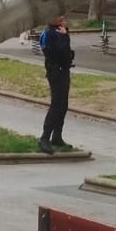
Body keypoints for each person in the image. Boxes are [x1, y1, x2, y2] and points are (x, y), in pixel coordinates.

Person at [37, 14, 75, 153]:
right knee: (56, 104)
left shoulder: (60, 31)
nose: (62, 17)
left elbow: (67, 52)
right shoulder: (49, 34)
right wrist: (65, 37)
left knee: (63, 105)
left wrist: (66, 37)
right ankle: (44, 138)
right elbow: (58, 52)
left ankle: (57, 136)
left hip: (64, 71)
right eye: (57, 15)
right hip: (55, 72)